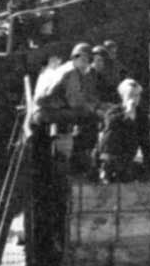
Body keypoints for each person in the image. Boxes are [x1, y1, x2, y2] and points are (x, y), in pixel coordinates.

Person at [31, 43, 104, 173]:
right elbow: (75, 102)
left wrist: (95, 104)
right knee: (90, 117)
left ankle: (78, 155)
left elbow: (81, 96)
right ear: (74, 58)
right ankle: (80, 159)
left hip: (46, 110)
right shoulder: (72, 73)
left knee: (87, 113)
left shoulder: (68, 68)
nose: (86, 64)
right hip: (46, 112)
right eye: (83, 60)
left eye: (88, 61)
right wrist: (95, 109)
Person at [95, 79, 150, 183]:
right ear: (123, 96)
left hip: (128, 157)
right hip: (110, 156)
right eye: (131, 95)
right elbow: (111, 127)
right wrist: (127, 113)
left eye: (137, 95)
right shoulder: (113, 112)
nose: (134, 99)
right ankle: (105, 171)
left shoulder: (141, 115)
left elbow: (145, 141)